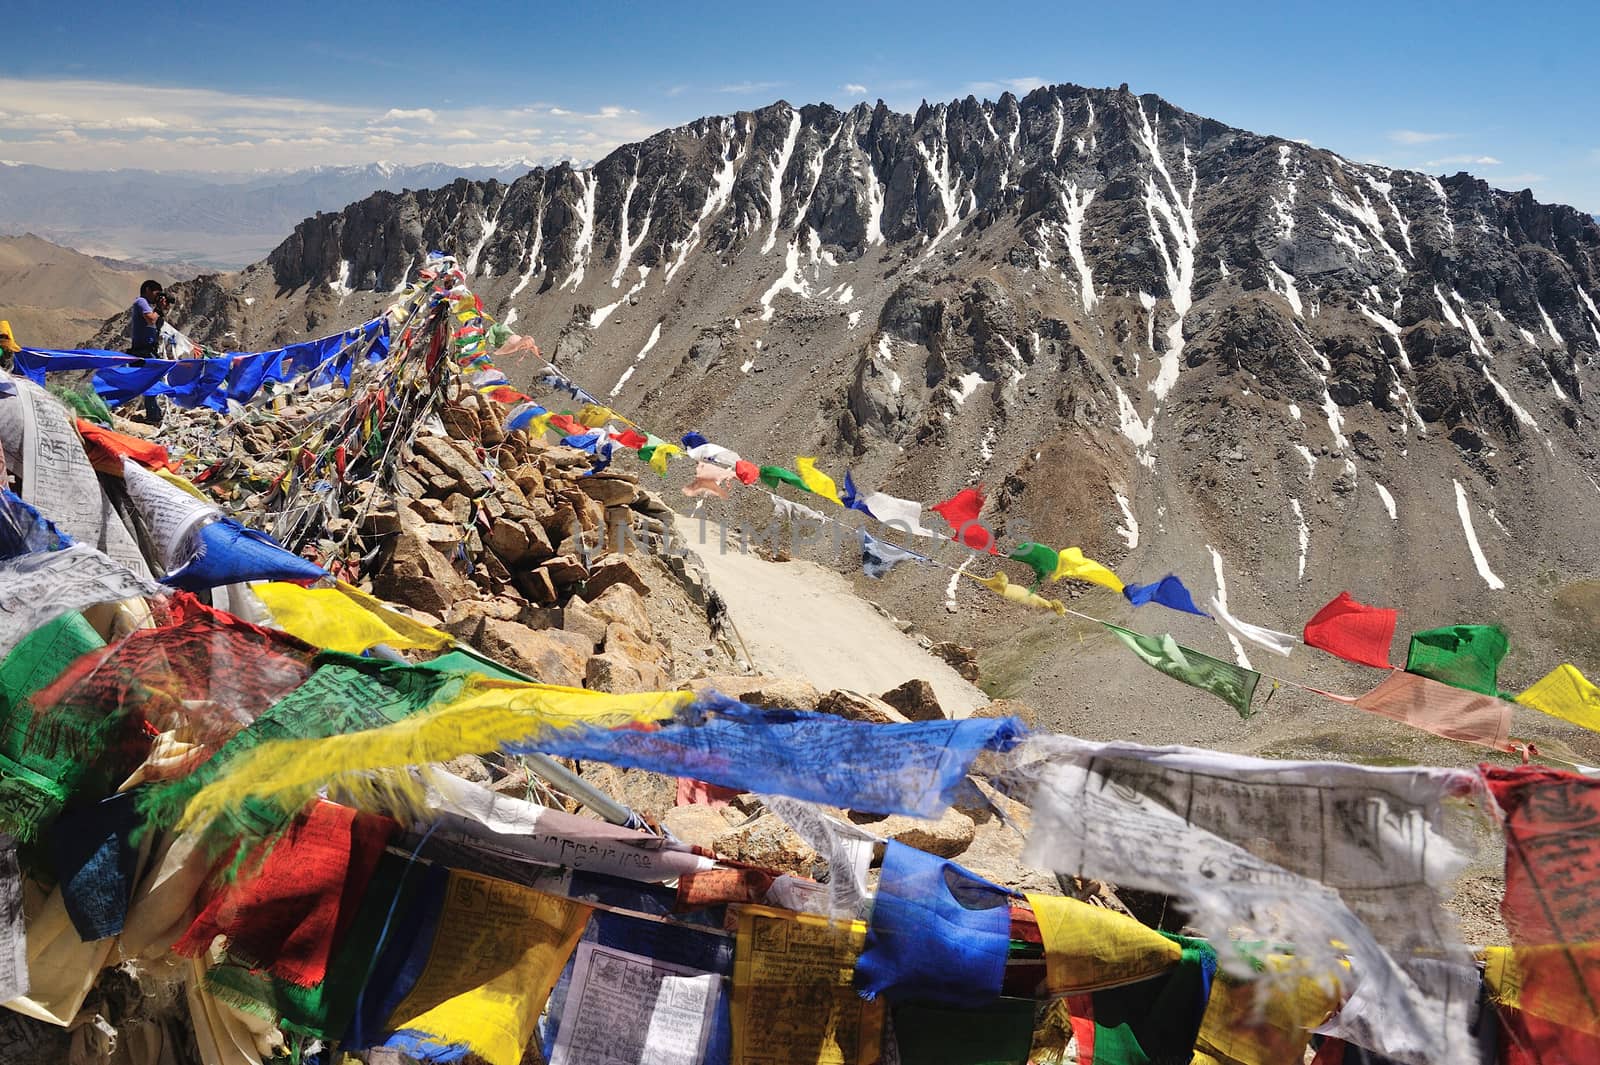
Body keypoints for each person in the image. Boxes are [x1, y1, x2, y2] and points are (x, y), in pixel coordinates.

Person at [129, 280, 165, 358]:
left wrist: (161, 309)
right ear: (148, 290)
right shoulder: (141, 301)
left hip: (150, 350)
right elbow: (151, 320)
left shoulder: (148, 306)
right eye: (157, 294)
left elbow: (157, 324)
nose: (157, 297)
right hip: (142, 351)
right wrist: (158, 308)